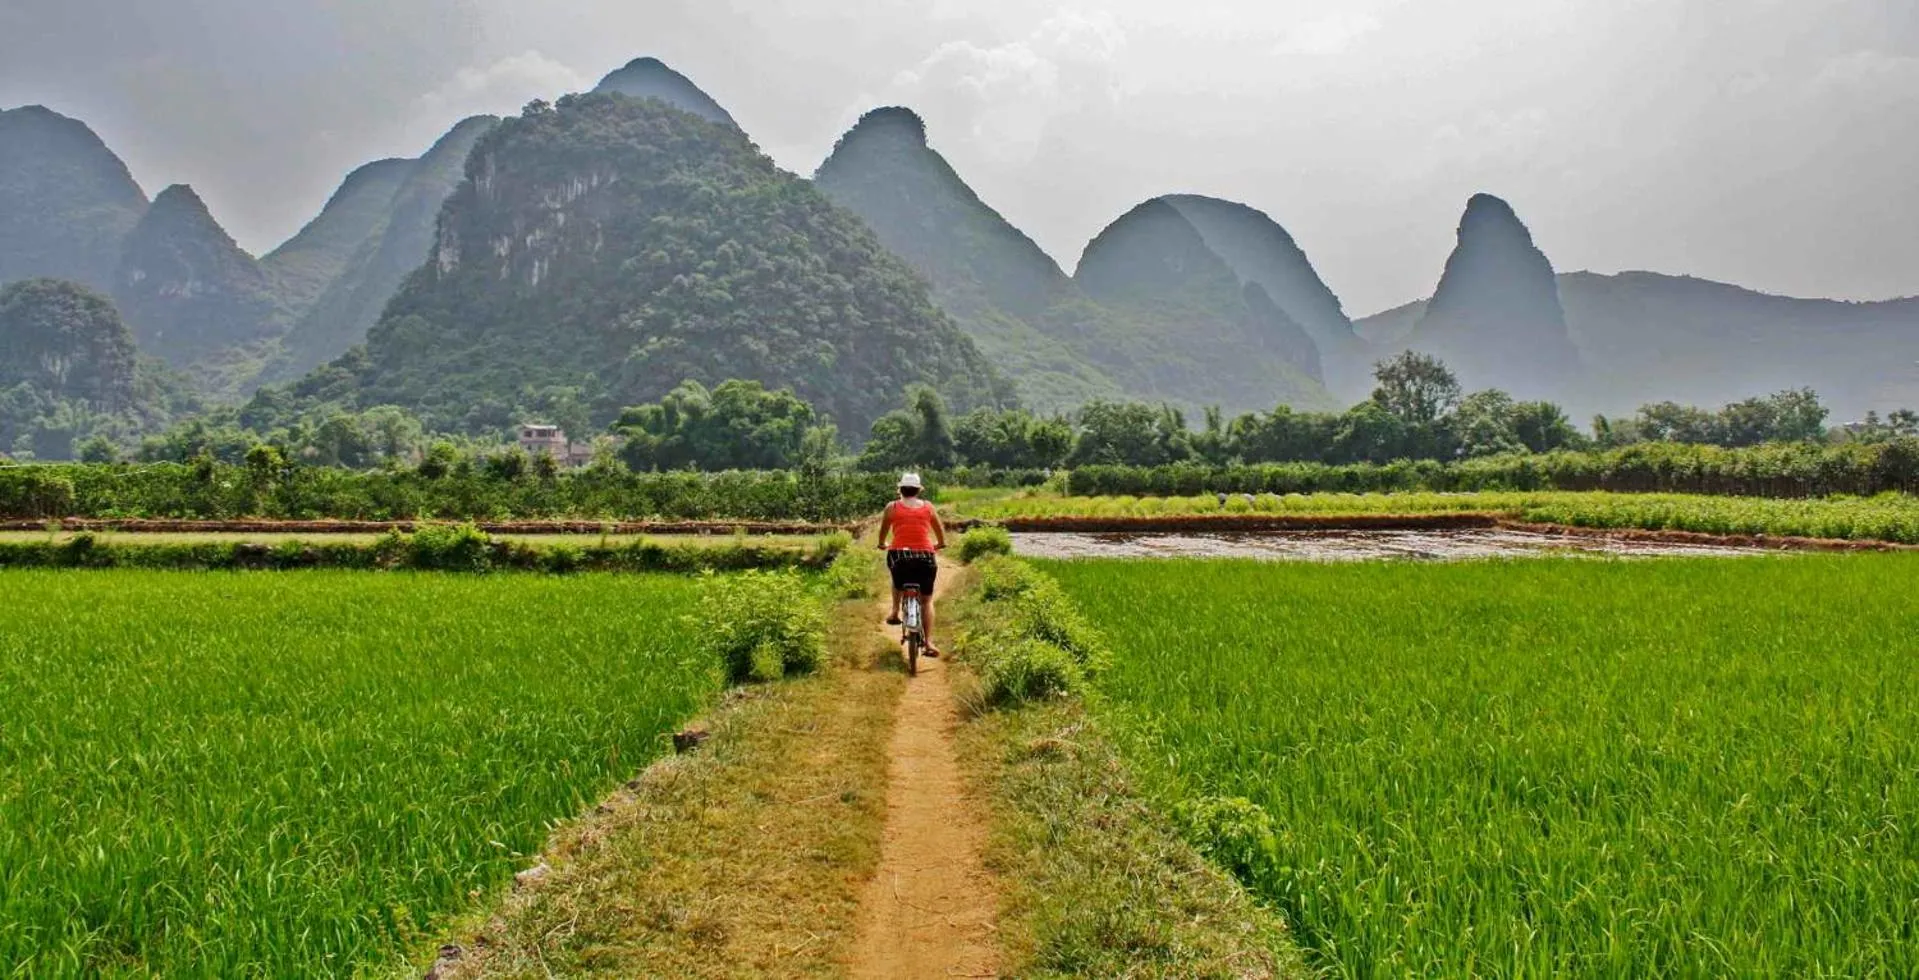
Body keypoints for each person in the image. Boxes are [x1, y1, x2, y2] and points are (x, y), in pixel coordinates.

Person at [876, 471, 947, 657]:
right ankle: (929, 642)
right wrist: (939, 544)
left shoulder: (892, 507)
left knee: (896, 577)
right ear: (918, 490)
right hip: (926, 557)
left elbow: (883, 533)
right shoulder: (929, 507)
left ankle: (894, 611)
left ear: (900, 489)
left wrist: (882, 544)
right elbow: (940, 534)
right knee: (927, 600)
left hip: (899, 555)